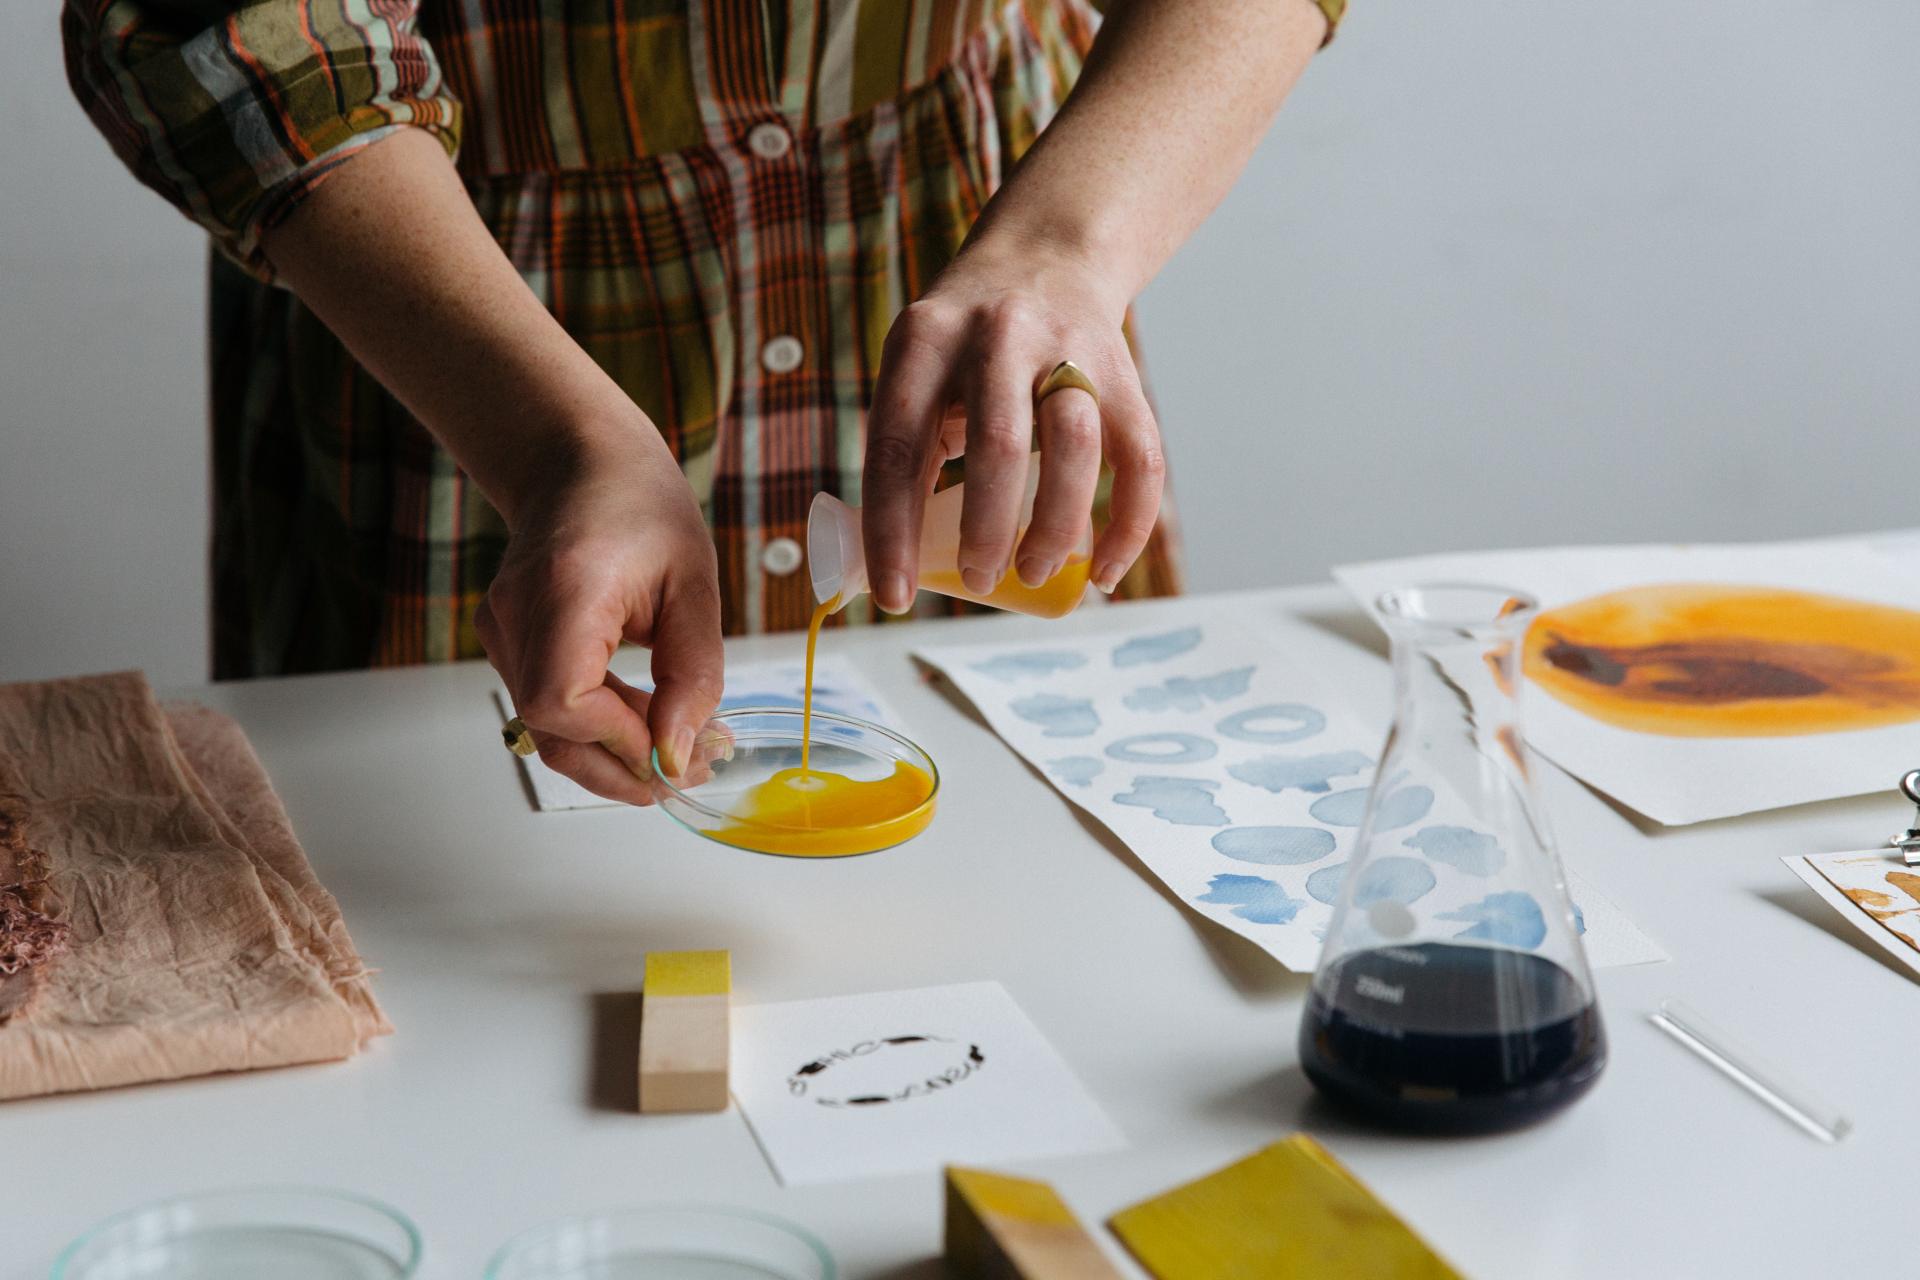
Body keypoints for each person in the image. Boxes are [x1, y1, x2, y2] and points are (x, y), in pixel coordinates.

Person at [63, 0, 1341, 804]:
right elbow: (230, 26)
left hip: (967, 250)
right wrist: (557, 444)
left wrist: (1068, 246)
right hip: (462, 307)